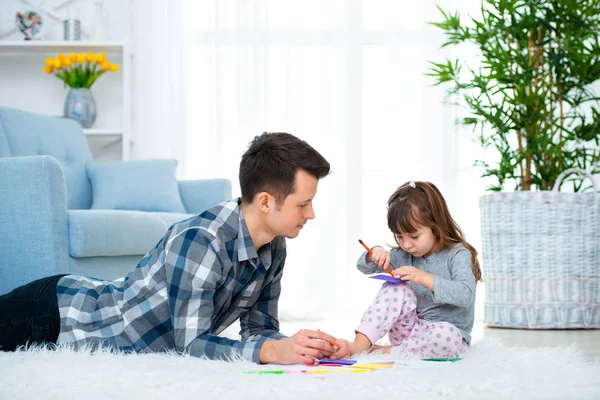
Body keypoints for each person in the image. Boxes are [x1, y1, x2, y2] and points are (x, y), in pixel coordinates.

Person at [0, 132, 339, 365]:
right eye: (303, 204)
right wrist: (272, 352)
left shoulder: (273, 246)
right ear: (266, 201)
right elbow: (190, 344)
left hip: (72, 312)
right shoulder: (202, 241)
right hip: (58, 314)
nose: (311, 214)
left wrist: (297, 349)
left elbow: (259, 331)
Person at [330, 181, 482, 359]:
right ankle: (359, 346)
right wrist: (375, 253)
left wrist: (424, 278)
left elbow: (465, 295)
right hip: (409, 333)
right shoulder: (403, 254)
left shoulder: (457, 255)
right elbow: (363, 266)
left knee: (449, 336)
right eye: (399, 236)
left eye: (414, 236)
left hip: (446, 338)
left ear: (436, 226)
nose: (407, 244)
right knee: (395, 288)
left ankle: (388, 351)